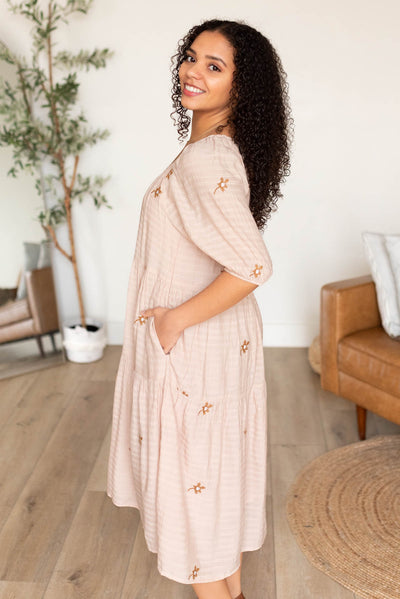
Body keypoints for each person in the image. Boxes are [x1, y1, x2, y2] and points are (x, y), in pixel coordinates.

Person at [106, 18, 293, 599]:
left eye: (215, 66)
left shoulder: (204, 159)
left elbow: (253, 266)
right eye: (192, 58)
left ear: (243, 86)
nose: (193, 71)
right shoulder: (218, 149)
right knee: (212, 494)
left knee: (194, 503)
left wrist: (173, 320)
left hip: (196, 348)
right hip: (220, 342)